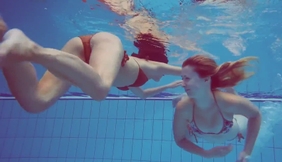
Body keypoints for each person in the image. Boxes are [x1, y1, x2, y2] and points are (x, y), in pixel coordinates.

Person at [0, 17, 182, 113]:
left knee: (35, 102)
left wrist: (170, 86)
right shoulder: (152, 66)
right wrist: (209, 78)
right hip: (104, 45)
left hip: (82, 57)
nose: (162, 76)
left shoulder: (134, 83)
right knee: (100, 90)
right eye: (164, 74)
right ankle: (31, 50)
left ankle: (8, 46)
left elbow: (143, 95)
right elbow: (186, 70)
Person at [172, 54, 261, 162]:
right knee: (182, 107)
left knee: (243, 118)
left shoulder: (227, 102)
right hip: (201, 132)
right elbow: (180, 139)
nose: (182, 84)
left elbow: (255, 115)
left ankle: (229, 89)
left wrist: (247, 151)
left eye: (187, 78)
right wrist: (206, 153)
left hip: (233, 130)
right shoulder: (183, 108)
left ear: (206, 78)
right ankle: (204, 93)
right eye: (182, 78)